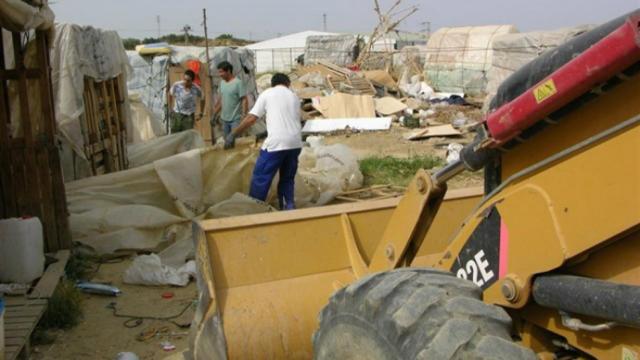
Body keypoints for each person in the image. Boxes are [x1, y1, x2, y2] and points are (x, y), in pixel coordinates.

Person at [225, 73, 302, 210]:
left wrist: (233, 133)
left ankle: (254, 209)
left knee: (261, 178)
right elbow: (289, 119)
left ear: (273, 83)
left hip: (276, 144)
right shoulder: (294, 96)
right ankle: (288, 208)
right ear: (287, 83)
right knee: (287, 179)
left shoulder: (268, 93)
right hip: (295, 143)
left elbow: (251, 118)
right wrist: (267, 131)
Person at [213, 61, 248, 144]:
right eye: (219, 72)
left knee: (235, 142)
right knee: (226, 141)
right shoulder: (222, 83)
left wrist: (244, 115)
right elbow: (221, 100)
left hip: (236, 119)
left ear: (228, 71)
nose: (220, 74)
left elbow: (244, 99)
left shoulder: (238, 83)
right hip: (224, 119)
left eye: (221, 72)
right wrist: (214, 114)